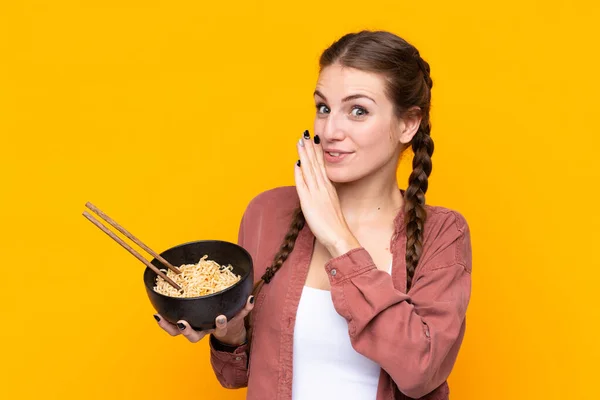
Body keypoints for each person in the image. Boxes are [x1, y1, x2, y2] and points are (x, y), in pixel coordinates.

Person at [154, 30, 472, 400]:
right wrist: (230, 332)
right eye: (324, 107)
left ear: (408, 124)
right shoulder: (267, 212)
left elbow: (421, 372)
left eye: (358, 111)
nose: (331, 130)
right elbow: (238, 375)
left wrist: (339, 239)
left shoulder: (443, 233)